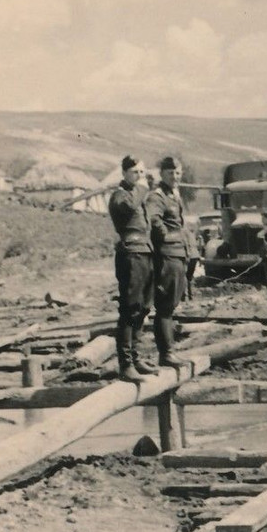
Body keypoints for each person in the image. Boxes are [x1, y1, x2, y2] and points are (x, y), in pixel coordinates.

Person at [108, 156, 155, 381]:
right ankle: (125, 364)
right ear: (124, 173)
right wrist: (143, 188)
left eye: (142, 172)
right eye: (135, 172)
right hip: (131, 253)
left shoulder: (138, 194)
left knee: (144, 307)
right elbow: (128, 207)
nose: (139, 177)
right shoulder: (120, 195)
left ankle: (136, 358)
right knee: (130, 308)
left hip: (145, 251)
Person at [145, 156, 189, 368]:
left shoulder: (175, 195)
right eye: (171, 173)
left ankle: (169, 352)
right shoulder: (157, 196)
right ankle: (166, 354)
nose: (175, 177)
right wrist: (166, 236)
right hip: (167, 255)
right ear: (162, 173)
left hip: (178, 254)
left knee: (172, 304)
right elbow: (153, 219)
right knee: (165, 306)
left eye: (178, 173)